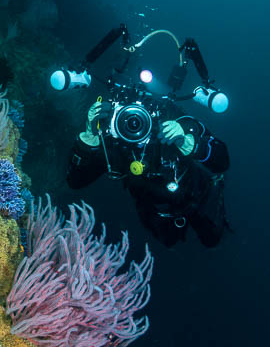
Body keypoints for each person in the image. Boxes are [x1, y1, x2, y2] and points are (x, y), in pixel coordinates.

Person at [66, 100, 230, 247]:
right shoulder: (113, 142)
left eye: (140, 116)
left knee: (212, 238)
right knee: (167, 241)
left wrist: (189, 142)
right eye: (127, 117)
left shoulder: (172, 119)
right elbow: (75, 181)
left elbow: (222, 161)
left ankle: (215, 188)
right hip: (152, 205)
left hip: (195, 191)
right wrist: (88, 139)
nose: (134, 123)